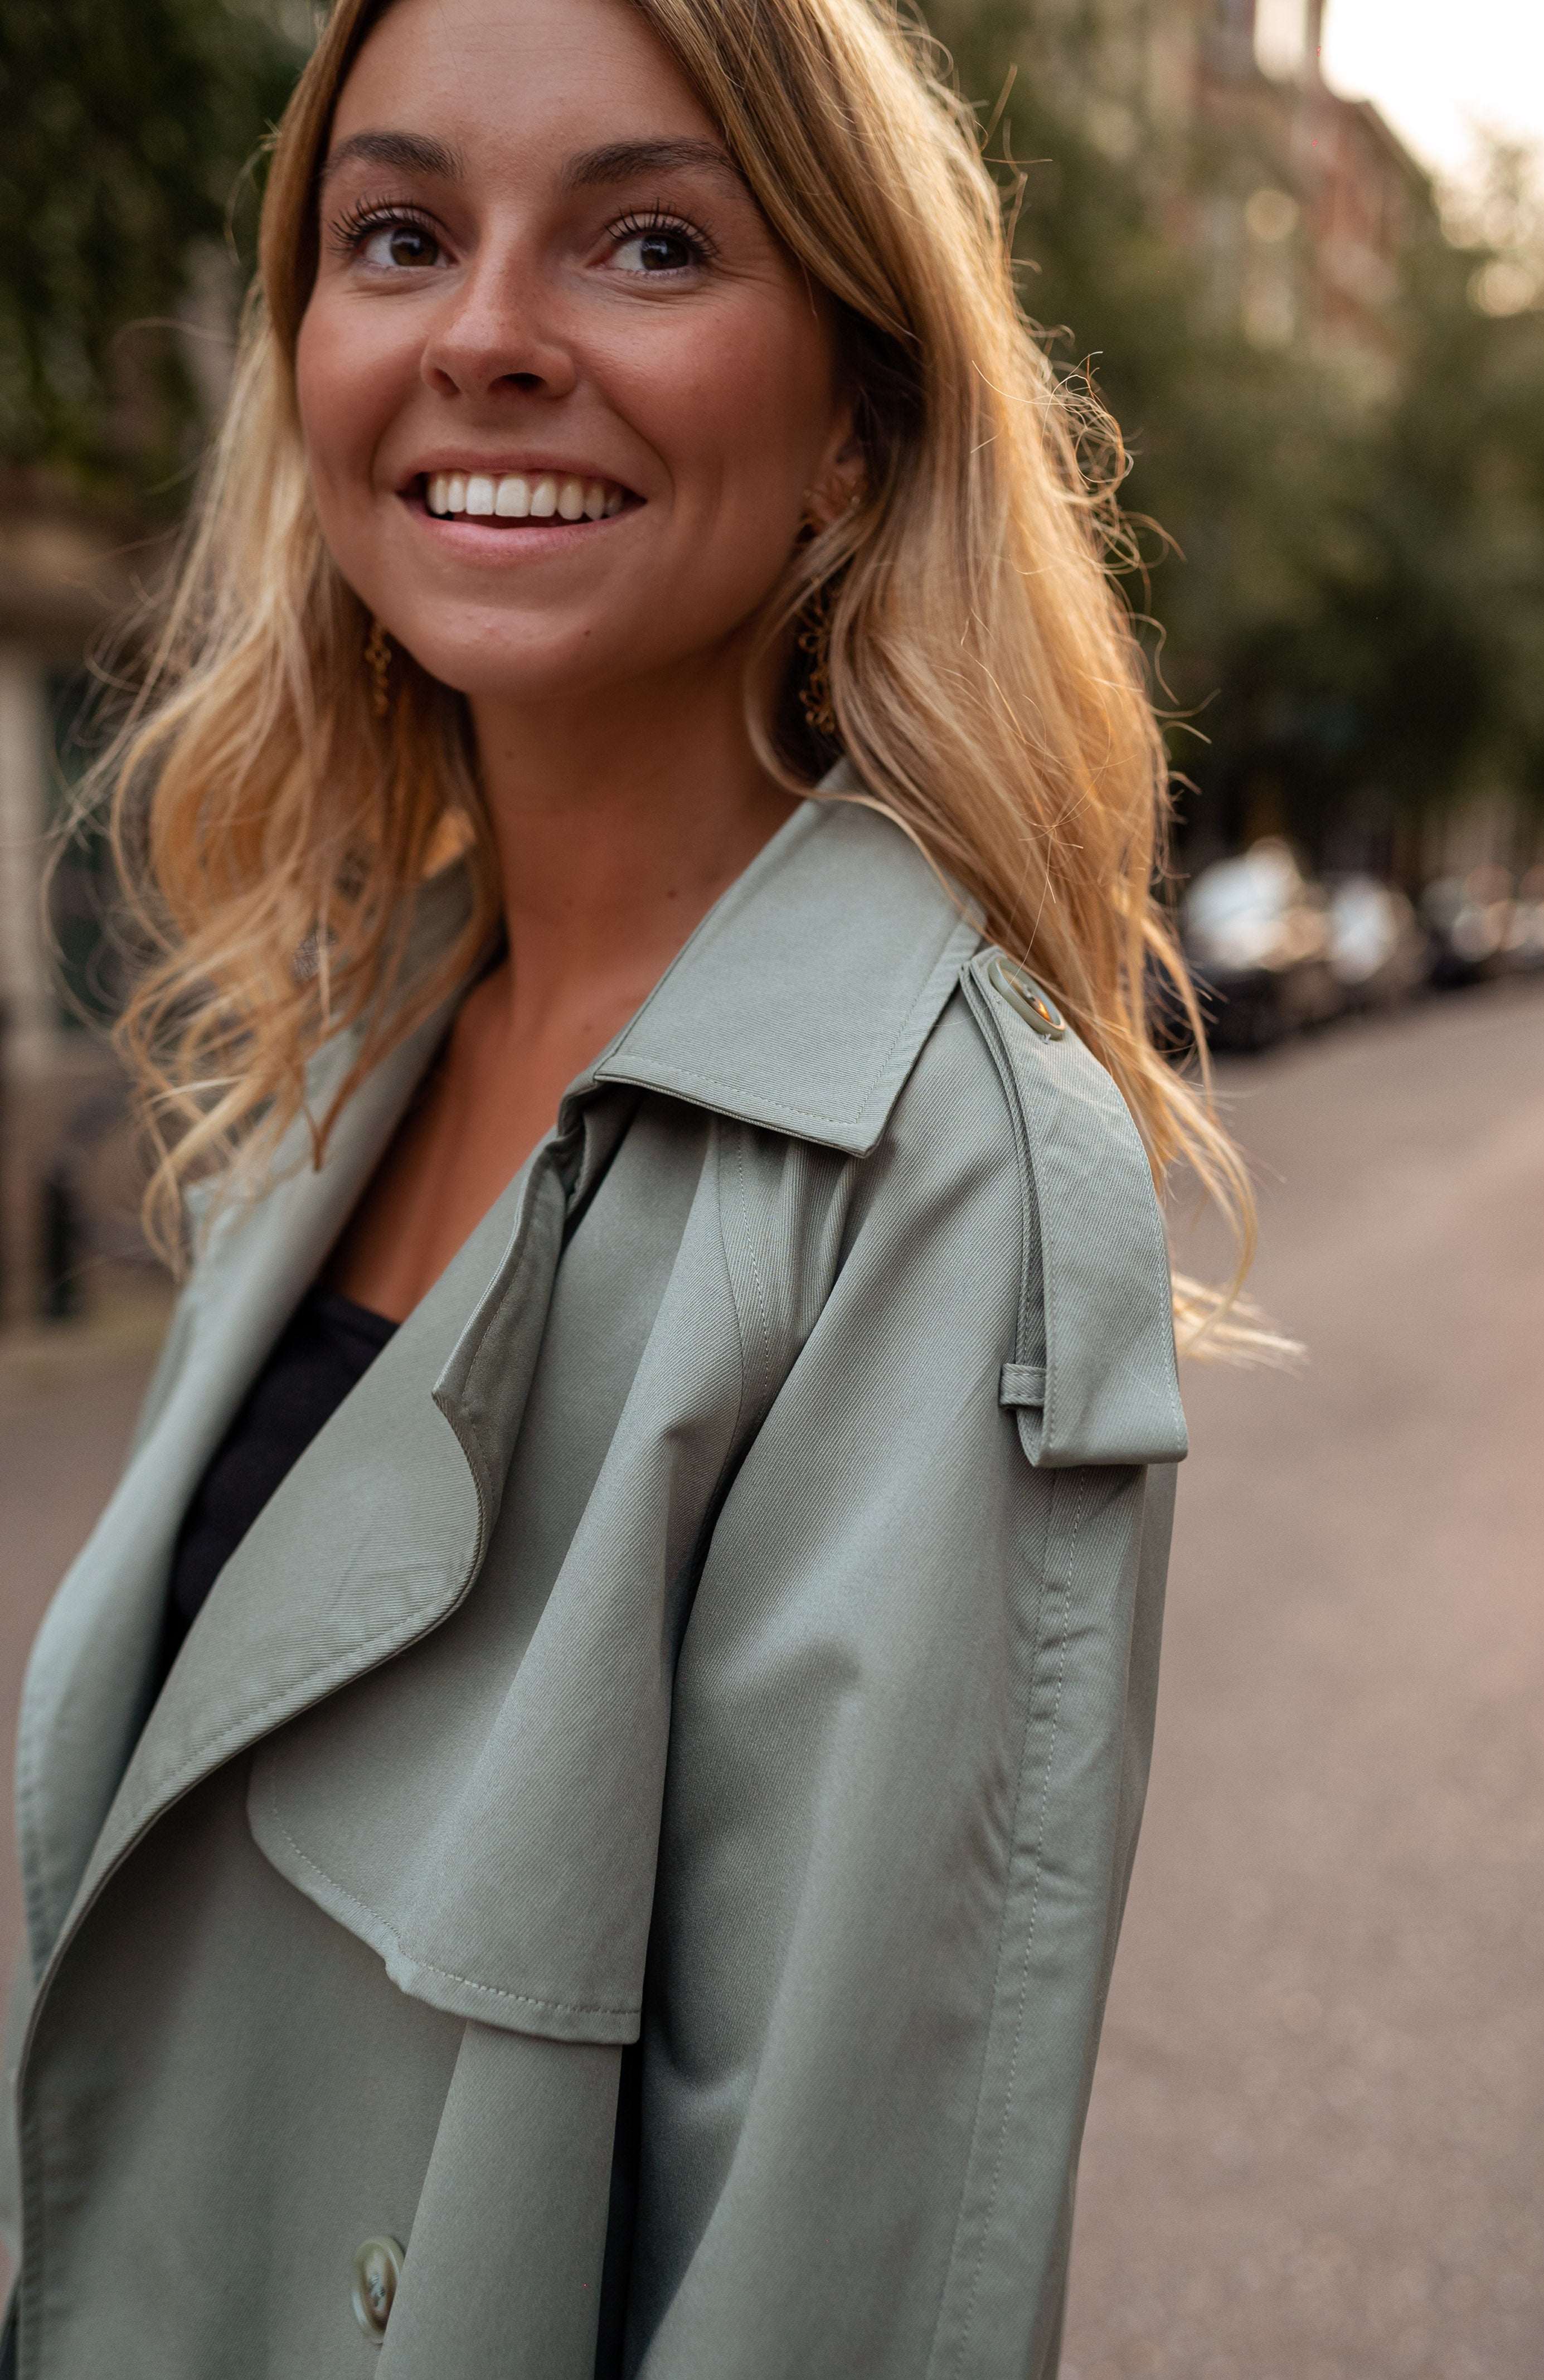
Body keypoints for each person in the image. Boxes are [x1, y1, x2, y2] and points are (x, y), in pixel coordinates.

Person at [1, 0, 1256, 2372]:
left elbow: (842, 2291)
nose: (485, 334)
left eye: (648, 242)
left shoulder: (941, 1179)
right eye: (398, 233)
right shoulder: (338, 1052)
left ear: (859, 433)